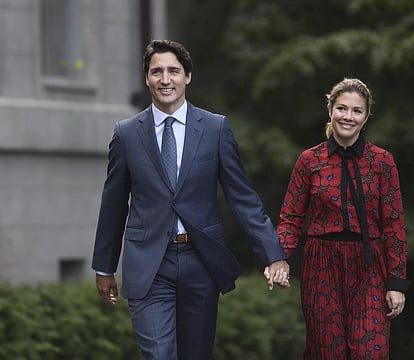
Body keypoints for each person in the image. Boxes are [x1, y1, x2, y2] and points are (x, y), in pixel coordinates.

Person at [92, 39, 289, 360]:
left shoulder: (215, 129)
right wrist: (104, 266)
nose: (165, 79)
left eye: (173, 71)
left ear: (187, 76)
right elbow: (113, 203)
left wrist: (273, 254)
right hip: (149, 263)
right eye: (156, 72)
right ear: (147, 78)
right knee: (159, 355)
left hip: (200, 261)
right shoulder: (127, 134)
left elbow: (243, 198)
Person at [273, 78, 409, 359]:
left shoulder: (382, 162)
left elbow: (394, 225)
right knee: (327, 352)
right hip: (321, 264)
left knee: (370, 351)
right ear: (330, 111)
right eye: (342, 108)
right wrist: (279, 257)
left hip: (370, 265)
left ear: (366, 116)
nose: (348, 116)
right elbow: (291, 216)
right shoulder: (310, 160)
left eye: (356, 111)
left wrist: (396, 283)